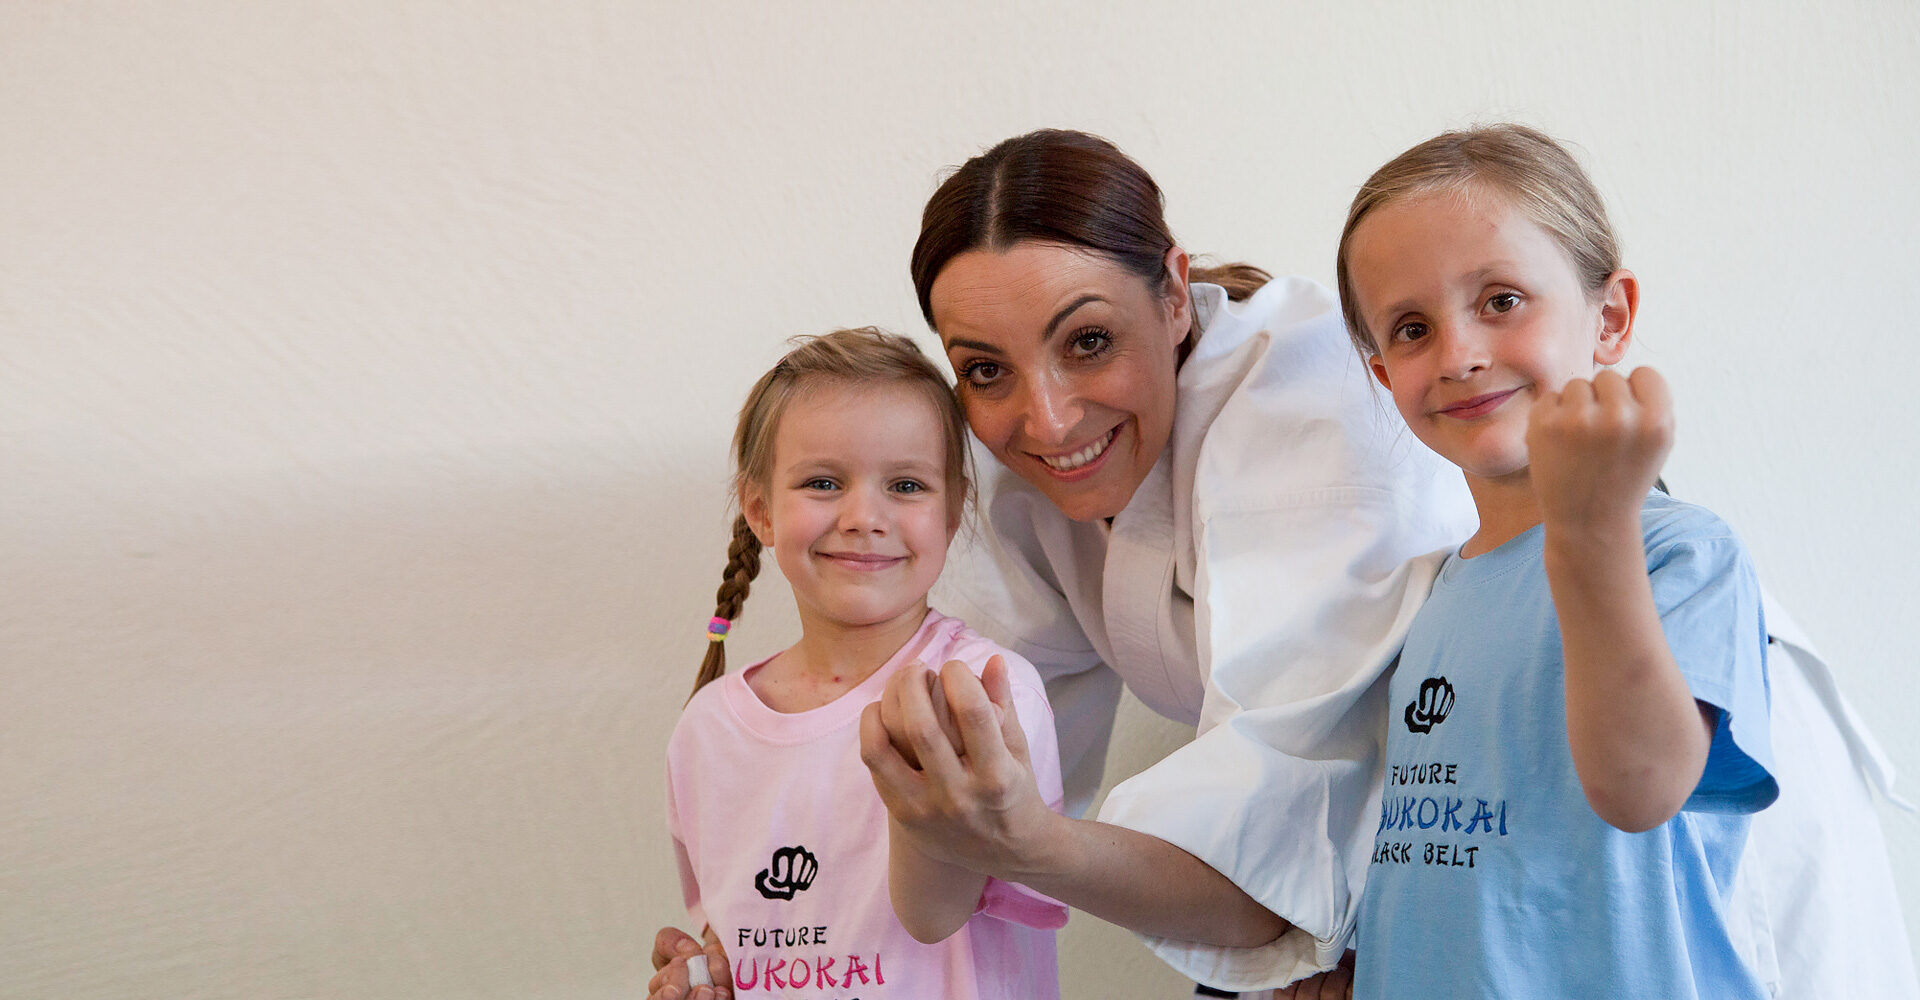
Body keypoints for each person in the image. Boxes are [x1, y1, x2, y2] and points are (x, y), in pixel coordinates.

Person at [654, 129, 1914, 999]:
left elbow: (1273, 830)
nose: (1041, 416)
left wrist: (1024, 838)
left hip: (1677, 869)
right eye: (983, 368)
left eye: (1088, 341)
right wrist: (765, 934)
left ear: (1176, 297)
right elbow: (913, 740)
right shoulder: (1029, 473)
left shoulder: (1316, 414)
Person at [1336, 123, 1777, 997]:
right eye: (1413, 328)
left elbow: (1639, 788)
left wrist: (1590, 526)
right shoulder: (1428, 594)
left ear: (1608, 318)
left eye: (1501, 300)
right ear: (1384, 375)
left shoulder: (1680, 552)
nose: (1459, 354)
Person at [657, 328, 1069, 1000]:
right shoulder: (706, 731)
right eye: (823, 482)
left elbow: (935, 916)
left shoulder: (986, 694)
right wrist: (704, 978)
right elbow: (734, 941)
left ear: (954, 508)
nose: (863, 516)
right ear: (760, 509)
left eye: (905, 484)